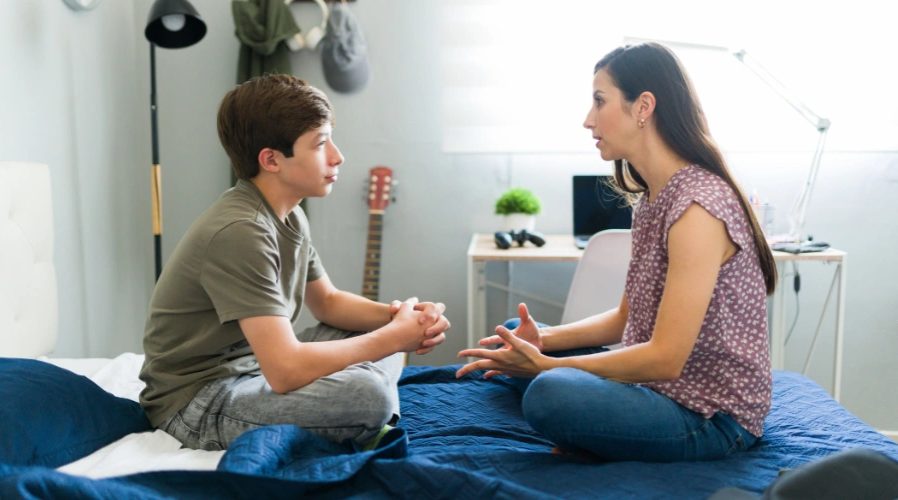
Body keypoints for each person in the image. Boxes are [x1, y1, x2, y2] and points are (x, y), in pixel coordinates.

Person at [457, 42, 777, 462]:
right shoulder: (652, 198)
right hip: (654, 388)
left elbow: (666, 359)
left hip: (707, 416)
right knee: (515, 334)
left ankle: (588, 425)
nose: (588, 120)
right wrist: (542, 341)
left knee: (549, 393)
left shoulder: (698, 208)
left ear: (643, 106)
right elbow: (627, 318)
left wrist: (546, 367)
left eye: (599, 101)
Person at [139, 74, 450, 451]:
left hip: (256, 369)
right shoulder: (241, 231)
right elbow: (285, 371)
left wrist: (402, 319)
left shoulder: (290, 215)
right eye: (320, 143)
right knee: (368, 395)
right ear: (271, 159)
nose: (337, 156)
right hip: (200, 402)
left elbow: (328, 303)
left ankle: (363, 414)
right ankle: (368, 414)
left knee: (371, 339)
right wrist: (392, 339)